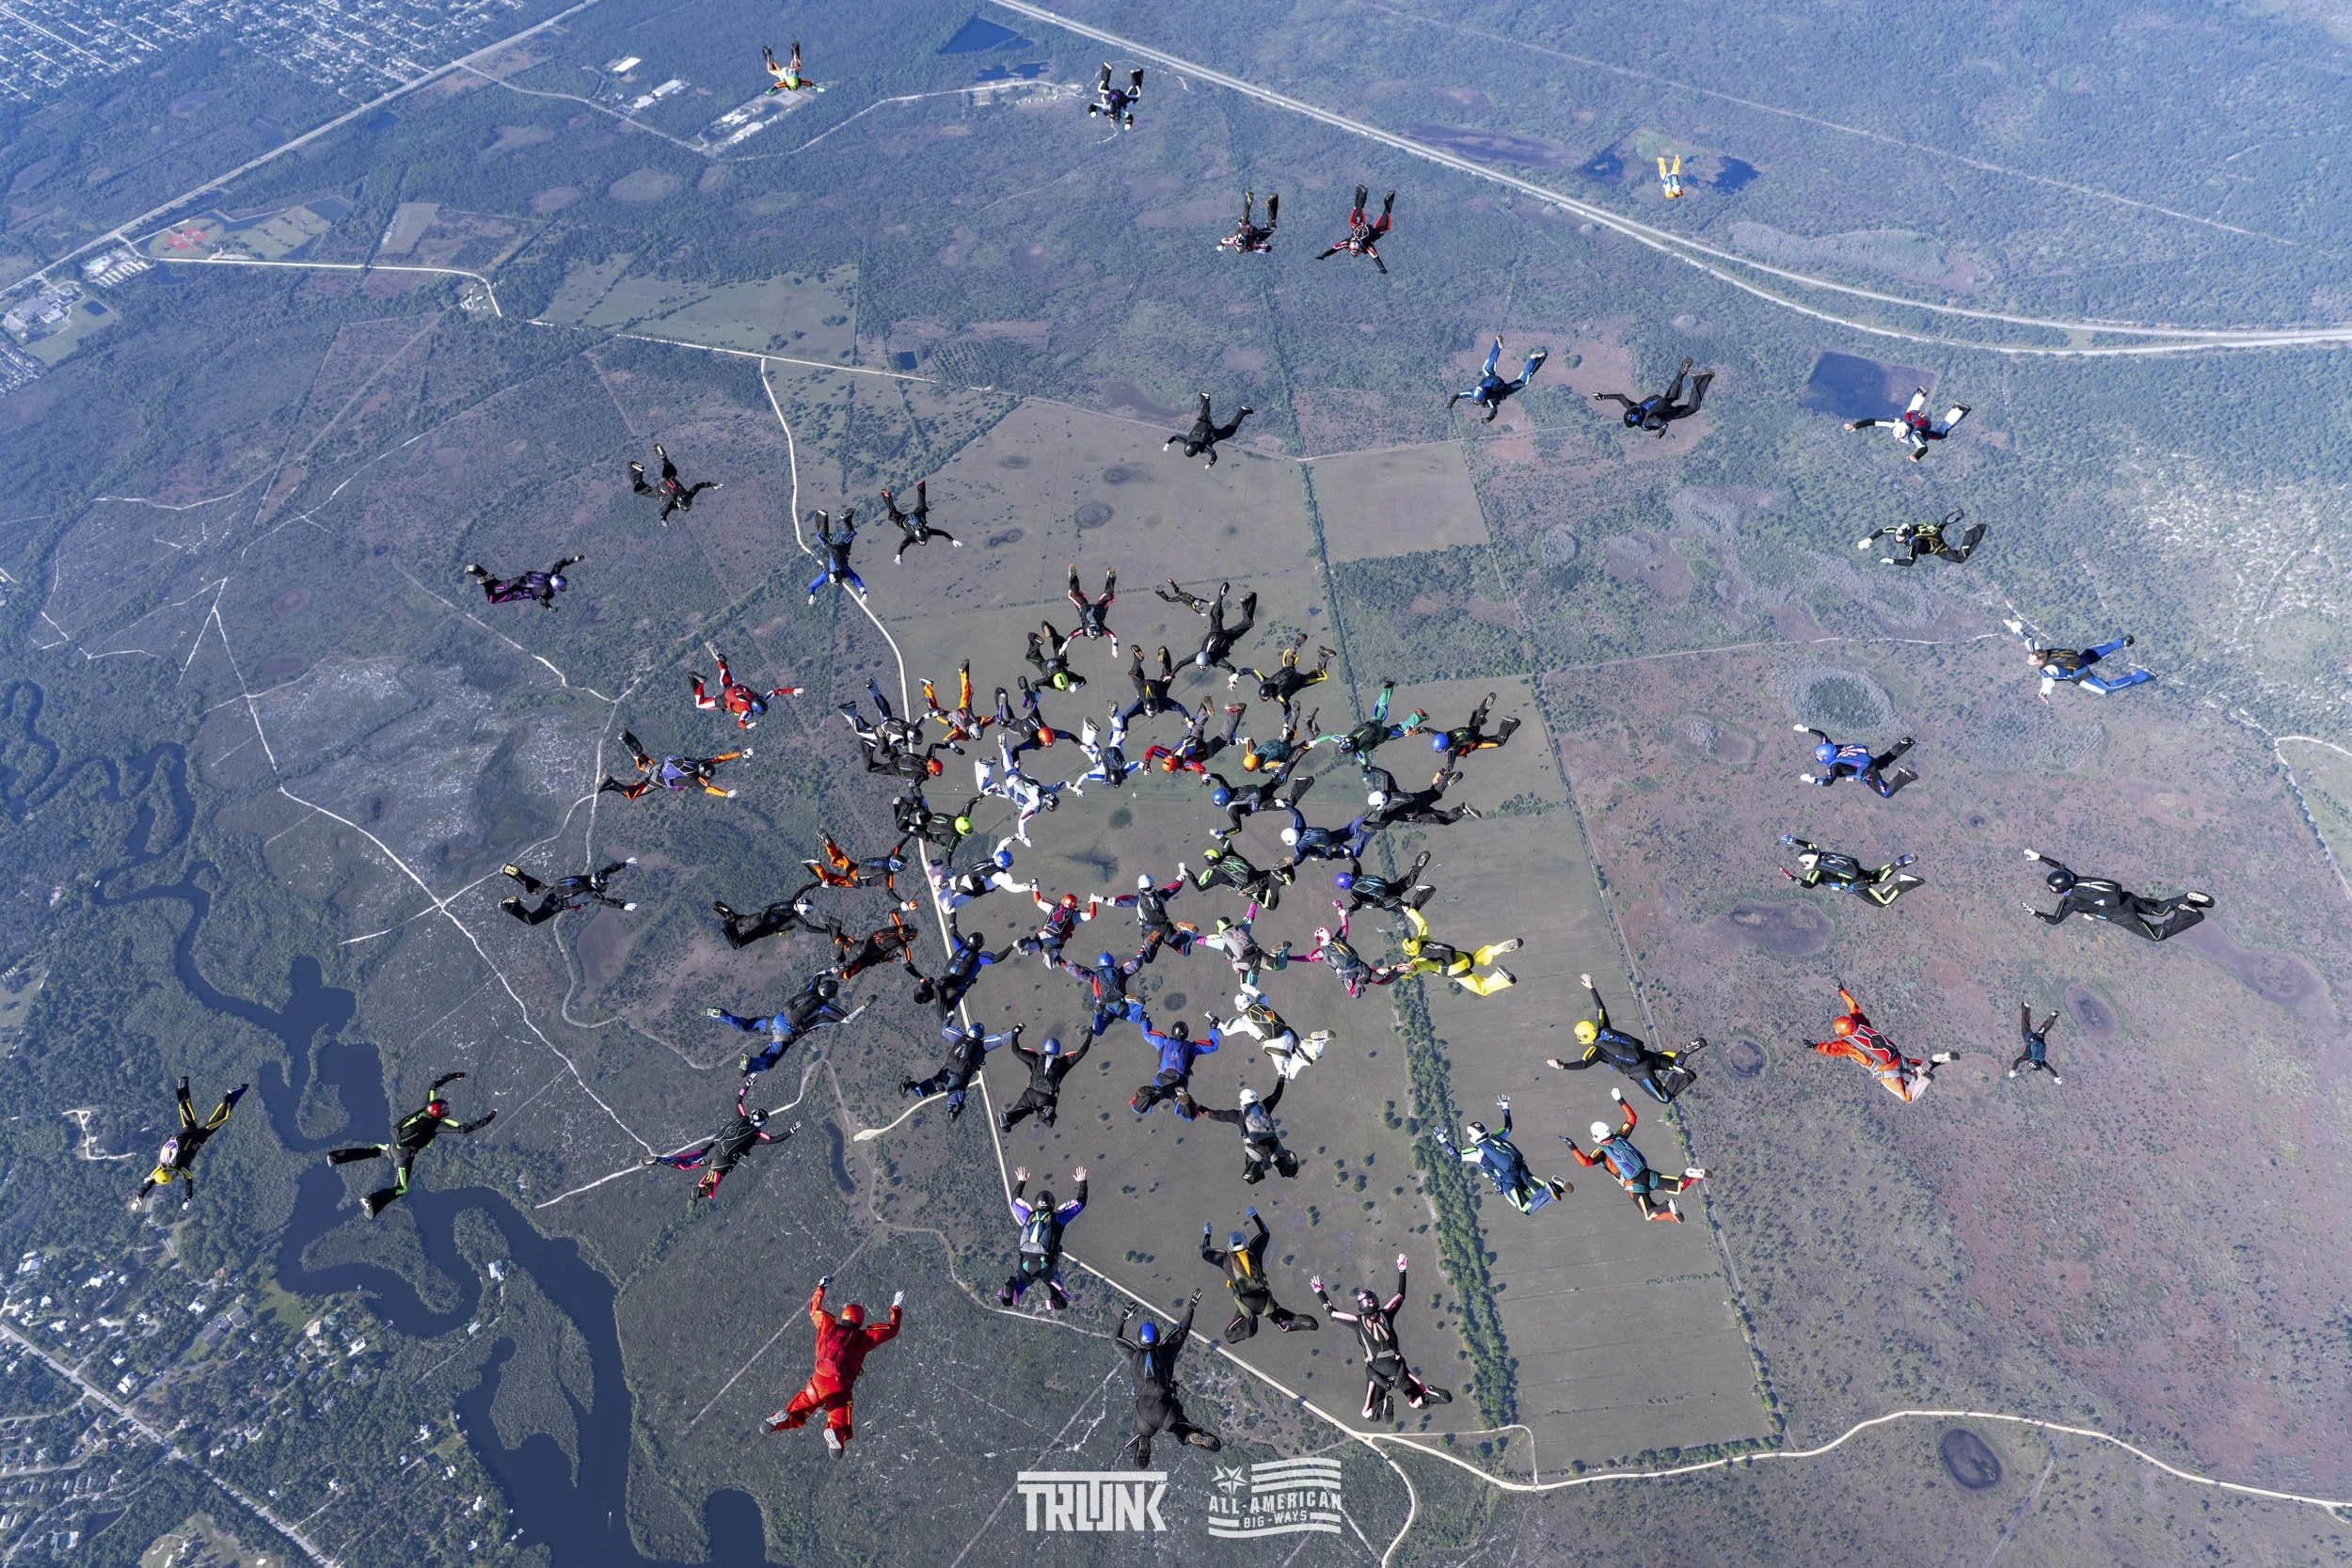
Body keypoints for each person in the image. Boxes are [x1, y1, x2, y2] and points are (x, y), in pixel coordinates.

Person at [326, 1071, 494, 1218]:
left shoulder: (425, 1109)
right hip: (403, 1158)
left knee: (371, 1151)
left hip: (392, 1147)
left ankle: (335, 1157)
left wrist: (455, 1076)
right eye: (444, 1110)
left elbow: (433, 1085)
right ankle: (371, 1202)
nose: (446, 1111)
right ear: (439, 1114)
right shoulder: (437, 1125)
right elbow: (464, 1129)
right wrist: (488, 1118)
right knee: (401, 1188)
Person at [765, 1278, 901, 1457]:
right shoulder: (863, 1338)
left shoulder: (827, 1327)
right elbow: (892, 1329)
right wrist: (896, 1306)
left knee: (801, 1409)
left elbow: (814, 1310)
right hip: (839, 1387)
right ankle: (835, 1434)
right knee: (839, 1421)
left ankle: (782, 1419)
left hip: (817, 1381)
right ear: (860, 1321)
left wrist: (820, 1288)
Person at [1310, 1255, 1452, 1420]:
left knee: (1368, 1413)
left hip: (1376, 1369)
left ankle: (1383, 1407)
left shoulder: (1357, 1321)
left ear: (1361, 1305)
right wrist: (1402, 1270)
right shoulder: (1386, 1313)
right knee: (1416, 1401)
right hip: (1396, 1366)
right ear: (1375, 1301)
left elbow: (1332, 1313)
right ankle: (1429, 1395)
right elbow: (1400, 1295)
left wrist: (1320, 1292)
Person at [1548, 973, 1701, 1103]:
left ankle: (1686, 1074)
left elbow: (1583, 1064)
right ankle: (1680, 1057)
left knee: (1664, 1097)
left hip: (1639, 1071)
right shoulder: (1604, 1029)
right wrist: (1591, 987)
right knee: (1671, 1063)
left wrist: (1562, 1066)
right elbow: (1600, 1009)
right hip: (1645, 1056)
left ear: (1585, 1038)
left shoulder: (1597, 1050)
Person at [1563, 1089, 1705, 1222]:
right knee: (1676, 1186)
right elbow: (1632, 1118)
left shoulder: (1601, 1152)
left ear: (1595, 1137)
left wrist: (1572, 1147)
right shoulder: (1620, 1136)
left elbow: (1585, 1162)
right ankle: (1688, 1175)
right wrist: (1620, 1100)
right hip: (1647, 1173)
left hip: (1633, 1183)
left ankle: (1668, 1207)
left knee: (1649, 1213)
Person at [1116, 1295, 1220, 1467]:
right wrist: (1191, 1307)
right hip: (1161, 1407)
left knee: (1147, 1431)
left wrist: (1123, 1318)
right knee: (1179, 1428)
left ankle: (1148, 1441)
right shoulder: (1165, 1351)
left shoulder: (1134, 1357)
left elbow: (1115, 1340)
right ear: (1157, 1337)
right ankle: (1188, 1436)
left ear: (1140, 1338)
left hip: (1148, 1411)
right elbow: (1182, 1330)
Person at [1807, 984, 1956, 1103]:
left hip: (1886, 1070)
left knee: (1907, 1097)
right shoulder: (1861, 1024)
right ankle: (1935, 1061)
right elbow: (1854, 1008)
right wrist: (1842, 990)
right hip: (1898, 1058)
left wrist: (1815, 1046)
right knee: (1922, 1066)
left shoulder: (1847, 1045)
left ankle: (1921, 1078)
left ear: (1840, 1032)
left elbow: (1830, 1049)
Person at [2022, 848, 2211, 942]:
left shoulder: (2072, 900)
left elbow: (2055, 920)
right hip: (2126, 898)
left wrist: (2034, 913)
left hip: (2121, 914)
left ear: (2061, 889)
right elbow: (2060, 867)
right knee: (2159, 910)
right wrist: (2039, 857)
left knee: (2156, 935)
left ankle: (2186, 913)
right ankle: (2184, 899)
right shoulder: (2076, 879)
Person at [644, 1085, 793, 1201]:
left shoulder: (741, 1118)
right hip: (723, 1161)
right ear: (762, 1123)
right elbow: (774, 1140)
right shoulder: (755, 1135)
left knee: (686, 1162)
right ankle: (699, 1192)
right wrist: (791, 1131)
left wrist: (747, 1085)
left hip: (712, 1149)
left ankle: (660, 1161)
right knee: (710, 1185)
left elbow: (738, 1100)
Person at [1433, 1097, 1569, 1214]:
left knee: (1525, 1208)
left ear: (1472, 1136)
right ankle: (1557, 1188)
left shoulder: (1477, 1152)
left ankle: (1550, 1188)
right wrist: (1505, 1108)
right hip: (1521, 1169)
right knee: (1536, 1192)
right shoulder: (1497, 1138)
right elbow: (1508, 1126)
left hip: (1507, 1180)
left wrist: (1443, 1140)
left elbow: (1456, 1155)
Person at [128, 1077, 248, 1211]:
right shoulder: (161, 1166)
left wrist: (188, 1198)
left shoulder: (179, 1166)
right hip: (181, 1135)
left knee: (220, 1119)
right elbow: (150, 1183)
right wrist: (139, 1198)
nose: (175, 1175)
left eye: (173, 1176)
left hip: (192, 1138)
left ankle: (232, 1095)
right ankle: (182, 1086)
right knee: (186, 1112)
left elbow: (188, 1181)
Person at [709, 974, 855, 1076]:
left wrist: (833, 970)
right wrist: (864, 1007)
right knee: (768, 1062)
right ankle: (750, 1064)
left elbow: (818, 976)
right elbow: (845, 1018)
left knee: (747, 1026)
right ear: (830, 996)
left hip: (775, 1020)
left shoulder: (811, 990)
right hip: (784, 1033)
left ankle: (724, 1016)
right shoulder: (823, 1006)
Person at [1201, 1209, 1315, 1339]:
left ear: (1230, 1246)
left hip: (1246, 1305)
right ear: (1244, 1242)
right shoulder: (1254, 1251)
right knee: (1277, 1314)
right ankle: (1292, 1322)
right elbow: (1265, 1233)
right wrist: (1255, 1215)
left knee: (1229, 1335)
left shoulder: (1226, 1260)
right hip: (1265, 1300)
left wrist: (1207, 1234)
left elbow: (1205, 1253)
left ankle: (1248, 1330)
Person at [1000, 1165, 1087, 1310]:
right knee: (1057, 1291)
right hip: (1046, 1263)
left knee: (1020, 1282)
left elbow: (1014, 1201)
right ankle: (1053, 1295)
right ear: (1052, 1204)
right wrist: (1082, 1182)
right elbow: (1080, 1204)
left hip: (1026, 1262)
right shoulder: (1058, 1218)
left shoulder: (1028, 1216)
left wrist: (1021, 1182)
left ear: (1036, 1203)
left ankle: (1011, 1293)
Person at [1177, 1080, 1298, 1183]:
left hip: (1256, 1147)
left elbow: (1215, 1115)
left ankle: (1259, 1166)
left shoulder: (1238, 1115)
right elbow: (1276, 1094)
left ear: (1242, 1101)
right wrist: (1281, 1077)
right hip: (1272, 1143)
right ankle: (1284, 1162)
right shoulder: (1264, 1106)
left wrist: (1198, 1107)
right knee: (1285, 1169)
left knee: (1249, 1178)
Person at [902, 1021, 1015, 1121]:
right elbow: (1001, 1039)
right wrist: (1015, 1031)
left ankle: (910, 1085)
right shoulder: (982, 1045)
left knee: (924, 1090)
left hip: (944, 1072)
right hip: (959, 1076)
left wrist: (950, 1016)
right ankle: (952, 1108)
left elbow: (944, 1030)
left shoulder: (960, 1038)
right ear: (981, 1034)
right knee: (956, 1093)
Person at [2008, 625, 2154, 701]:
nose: (2029, 660)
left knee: (2106, 690)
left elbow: (2048, 681)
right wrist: (2014, 627)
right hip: (2078, 660)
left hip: (2080, 675)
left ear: (2040, 661)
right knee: (2092, 654)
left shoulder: (2047, 669)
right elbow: (2028, 639)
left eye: (2032, 660)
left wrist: (2043, 693)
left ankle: (2144, 675)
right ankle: (2122, 642)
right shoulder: (2042, 652)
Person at [1395, 906, 1518, 996]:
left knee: (1482, 989)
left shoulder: (1420, 960)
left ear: (1410, 952)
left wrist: (1400, 972)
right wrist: (1408, 911)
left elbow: (1413, 970)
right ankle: (1500, 948)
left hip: (1455, 970)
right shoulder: (1424, 939)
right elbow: (1421, 923)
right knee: (1481, 956)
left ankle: (1503, 978)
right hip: (1460, 956)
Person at [1207, 990, 1328, 1082]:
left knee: (1287, 1076)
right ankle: (1317, 1043)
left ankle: (1301, 1058)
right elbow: (1261, 994)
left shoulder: (1241, 1021)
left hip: (1273, 1045)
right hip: (1288, 1033)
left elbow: (1226, 1032)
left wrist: (1213, 1020)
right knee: (1312, 1053)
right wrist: (1247, 986)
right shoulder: (1261, 1004)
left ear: (1239, 1007)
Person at [598, 730, 744, 800]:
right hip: (658, 780)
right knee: (633, 793)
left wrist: (739, 754)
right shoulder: (694, 779)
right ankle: (609, 782)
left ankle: (626, 740)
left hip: (659, 767)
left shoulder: (699, 763)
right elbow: (709, 789)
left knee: (642, 761)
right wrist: (725, 794)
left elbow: (719, 759)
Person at [1777, 835, 1922, 907]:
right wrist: (1794, 840)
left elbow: (1808, 885)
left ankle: (1904, 883)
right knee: (1878, 878)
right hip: (1858, 872)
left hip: (1856, 884)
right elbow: (1810, 845)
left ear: (1809, 862)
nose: (1803, 865)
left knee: (1883, 902)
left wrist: (1791, 877)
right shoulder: (1821, 854)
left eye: (1804, 863)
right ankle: (1897, 864)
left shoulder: (1817, 872)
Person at [912, 919, 1013, 1015]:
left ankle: (926, 996)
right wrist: (1013, 946)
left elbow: (952, 931)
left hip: (944, 981)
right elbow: (996, 959)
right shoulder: (979, 958)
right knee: (947, 1011)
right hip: (957, 988)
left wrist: (952, 913)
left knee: (937, 992)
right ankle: (944, 1010)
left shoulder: (960, 947)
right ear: (979, 945)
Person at [1594, 356, 1711, 436]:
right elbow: (1620, 397)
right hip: (1659, 400)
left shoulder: (1646, 423)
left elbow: (1662, 423)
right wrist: (1603, 397)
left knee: (1692, 408)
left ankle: (1700, 379)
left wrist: (1660, 433)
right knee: (1671, 397)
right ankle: (1682, 372)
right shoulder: (1633, 407)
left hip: (1666, 411)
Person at [1306, 902, 1401, 999]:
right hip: (1359, 967)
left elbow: (1308, 958)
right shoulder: (1338, 939)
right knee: (1383, 980)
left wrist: (1340, 908)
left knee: (1356, 994)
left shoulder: (1326, 949)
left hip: (1348, 972)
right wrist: (1340, 907)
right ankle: (1400, 970)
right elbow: (1344, 924)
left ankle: (1365, 980)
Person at [1846, 387, 1968, 460]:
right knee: (1910, 411)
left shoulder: (1914, 435)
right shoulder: (1894, 423)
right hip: (1913, 417)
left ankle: (1959, 409)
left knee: (1940, 434)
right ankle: (1920, 393)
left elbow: (1924, 447)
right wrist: (1856, 426)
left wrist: (1916, 456)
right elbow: (1872, 421)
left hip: (1923, 424)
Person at [500, 858, 635, 925]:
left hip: (552, 890)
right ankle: (508, 905)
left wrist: (623, 864)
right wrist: (622, 905)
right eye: (603, 887)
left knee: (533, 886)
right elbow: (606, 902)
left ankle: (510, 870)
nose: (604, 889)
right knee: (532, 920)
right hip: (555, 903)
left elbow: (607, 870)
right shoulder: (590, 894)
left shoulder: (589, 878)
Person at [1316, 680, 1426, 760]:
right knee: (1381, 708)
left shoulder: (1359, 751)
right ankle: (1387, 689)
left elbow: (1363, 760)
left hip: (1381, 734)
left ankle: (1418, 717)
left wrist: (1366, 769)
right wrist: (1314, 742)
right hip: (1372, 723)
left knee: (1401, 730)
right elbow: (1329, 737)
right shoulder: (1343, 738)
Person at [1002, 1034, 1090, 1132]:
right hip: (1046, 1098)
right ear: (1057, 1050)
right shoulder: (1063, 1063)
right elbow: (1081, 1053)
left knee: (1019, 1111)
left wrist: (1015, 1033)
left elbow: (1016, 1050)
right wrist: (1090, 1035)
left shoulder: (1035, 1059)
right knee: (1049, 1122)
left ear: (1044, 1048)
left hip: (1030, 1094)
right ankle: (1045, 1113)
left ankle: (1007, 1121)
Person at [1448, 336, 1548, 422]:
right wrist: (1451, 403)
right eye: (1475, 400)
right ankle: (1497, 345)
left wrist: (1488, 419)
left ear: (1483, 398)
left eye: (1477, 401)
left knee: (1522, 381)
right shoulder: (1473, 392)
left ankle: (1534, 360)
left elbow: (1493, 411)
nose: (1475, 402)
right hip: (1490, 379)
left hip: (1502, 388)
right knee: (1487, 368)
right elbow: (1457, 395)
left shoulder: (1490, 399)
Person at [1794, 726, 1914, 797]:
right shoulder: (1833, 748)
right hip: (1868, 761)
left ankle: (1905, 775)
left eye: (1820, 757)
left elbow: (1828, 782)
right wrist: (1806, 729)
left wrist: (1812, 779)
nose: (1818, 758)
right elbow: (1822, 735)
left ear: (1827, 758)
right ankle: (1905, 744)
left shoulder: (1834, 767)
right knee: (1883, 761)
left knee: (1886, 793)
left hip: (1867, 772)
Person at [1131, 1016, 1214, 1117]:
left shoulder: (1162, 1042)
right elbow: (1213, 1046)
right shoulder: (1192, 1047)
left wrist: (1145, 1020)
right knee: (1188, 1115)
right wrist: (1213, 1028)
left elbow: (1147, 1034)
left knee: (1139, 1107)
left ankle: (1144, 1098)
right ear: (1186, 1034)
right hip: (1179, 1084)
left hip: (1161, 1081)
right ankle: (1185, 1104)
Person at [691, 654, 802, 730]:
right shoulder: (748, 710)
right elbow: (741, 722)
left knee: (727, 680)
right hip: (724, 700)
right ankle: (698, 683)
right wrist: (747, 726)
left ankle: (721, 663)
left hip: (733, 689)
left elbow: (776, 692)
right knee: (700, 704)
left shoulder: (759, 698)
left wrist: (793, 690)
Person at [1360, 763, 1479, 832]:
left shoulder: (1391, 811)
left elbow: (1381, 825)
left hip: (1421, 813)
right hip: (1419, 798)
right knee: (1435, 793)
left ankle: (1463, 810)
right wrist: (1370, 769)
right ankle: (1446, 779)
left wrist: (1364, 822)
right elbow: (1387, 775)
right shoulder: (1390, 791)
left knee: (1445, 819)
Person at [1109, 870, 1198, 963]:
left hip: (1150, 930)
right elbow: (1175, 887)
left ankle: (1146, 947)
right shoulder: (1160, 895)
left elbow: (1119, 902)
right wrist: (1182, 874)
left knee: (1148, 958)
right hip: (1166, 928)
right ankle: (1186, 932)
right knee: (1184, 951)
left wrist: (1101, 899)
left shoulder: (1137, 900)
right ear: (1152, 884)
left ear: (1139, 886)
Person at [711, 883, 836, 949]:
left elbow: (803, 888)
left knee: (739, 920)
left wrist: (819, 883)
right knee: (737, 944)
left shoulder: (792, 901)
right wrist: (827, 931)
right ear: (804, 912)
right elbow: (808, 928)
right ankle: (726, 925)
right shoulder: (794, 919)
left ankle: (727, 914)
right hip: (760, 929)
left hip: (757, 917)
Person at [1062, 950, 1146, 1041]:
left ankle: (1099, 1013)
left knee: (1098, 1031)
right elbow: (1135, 964)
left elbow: (1078, 972)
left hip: (1106, 1007)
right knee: (1132, 1016)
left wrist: (1062, 963)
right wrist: (1141, 954)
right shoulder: (1119, 973)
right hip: (1120, 1004)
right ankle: (1137, 1006)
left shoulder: (1095, 977)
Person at [1145, 700, 1247, 774]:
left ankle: (1234, 712)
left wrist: (1203, 774)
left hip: (1205, 751)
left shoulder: (1185, 763)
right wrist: (1146, 762)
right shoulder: (1168, 754)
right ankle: (1205, 710)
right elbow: (1153, 749)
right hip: (1192, 738)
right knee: (1198, 726)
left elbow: (1196, 766)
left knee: (1224, 736)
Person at [1230, 632, 1332, 705]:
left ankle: (1323, 656)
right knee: (1288, 659)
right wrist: (1238, 674)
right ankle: (1294, 648)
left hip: (1300, 681)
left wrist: (1286, 722)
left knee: (1320, 675)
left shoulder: (1279, 696)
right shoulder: (1264, 682)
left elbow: (1287, 707)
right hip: (1287, 669)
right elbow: (1252, 671)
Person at [927, 844, 1034, 913]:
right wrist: (1029, 887)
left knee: (948, 879)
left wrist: (1013, 838)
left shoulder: (994, 858)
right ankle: (943, 888)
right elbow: (1013, 888)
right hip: (970, 890)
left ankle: (935, 870)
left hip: (964, 877)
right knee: (948, 909)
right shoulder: (1001, 876)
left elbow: (1001, 844)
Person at [1066, 706, 1147, 798]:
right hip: (1099, 756)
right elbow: (1086, 776)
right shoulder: (1102, 775)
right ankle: (1090, 731)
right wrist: (1078, 785)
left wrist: (1145, 767)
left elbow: (1137, 764)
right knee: (1087, 745)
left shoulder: (1123, 770)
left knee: (1118, 733)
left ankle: (1115, 715)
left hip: (1115, 748)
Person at [1314, 185, 1395, 273]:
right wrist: (1381, 268)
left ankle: (1362, 192)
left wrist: (1323, 255)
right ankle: (1384, 198)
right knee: (1383, 220)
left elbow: (1334, 249)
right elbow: (1375, 257)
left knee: (1358, 211)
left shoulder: (1351, 243)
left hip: (1363, 228)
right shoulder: (1360, 245)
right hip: (1370, 231)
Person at [1857, 511, 1984, 567]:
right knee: (1937, 529)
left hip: (1937, 547)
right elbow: (1882, 531)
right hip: (1930, 533)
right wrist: (1869, 540)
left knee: (1960, 558)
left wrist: (1892, 561)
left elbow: (1909, 562)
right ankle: (1945, 521)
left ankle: (1973, 532)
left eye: (1900, 537)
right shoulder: (1900, 530)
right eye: (1897, 535)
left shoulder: (1914, 543)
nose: (1897, 537)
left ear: (1907, 536)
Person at [629, 443, 718, 523]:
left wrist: (711, 485)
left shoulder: (688, 495)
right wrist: (663, 519)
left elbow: (698, 486)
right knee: (638, 490)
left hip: (670, 479)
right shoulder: (671, 502)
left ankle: (665, 460)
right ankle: (637, 472)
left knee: (672, 472)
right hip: (659, 490)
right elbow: (665, 511)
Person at [1165, 392, 1254, 468]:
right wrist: (1167, 444)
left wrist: (1210, 464)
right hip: (1203, 423)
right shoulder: (1187, 440)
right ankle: (1205, 398)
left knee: (1229, 431)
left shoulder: (1204, 447)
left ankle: (1243, 411)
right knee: (1205, 413)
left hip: (1213, 433)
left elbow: (1214, 456)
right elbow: (1175, 437)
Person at [829, 911, 923, 983]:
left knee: (840, 939)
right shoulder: (901, 947)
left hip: (861, 945)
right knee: (846, 975)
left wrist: (905, 906)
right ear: (908, 937)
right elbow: (907, 965)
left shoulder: (894, 927)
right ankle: (841, 966)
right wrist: (921, 979)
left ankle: (832, 930)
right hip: (868, 958)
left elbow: (892, 913)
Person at [921, 659, 993, 752]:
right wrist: (956, 749)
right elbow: (947, 739)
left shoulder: (981, 724)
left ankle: (963, 672)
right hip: (951, 718)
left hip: (964, 709)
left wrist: (1002, 719)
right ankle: (927, 685)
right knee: (932, 710)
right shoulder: (960, 733)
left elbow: (993, 719)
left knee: (967, 691)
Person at [1020, 888, 1106, 965]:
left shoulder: (1053, 908)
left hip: (1042, 935)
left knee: (1033, 946)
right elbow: (1092, 914)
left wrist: (1035, 887)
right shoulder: (1074, 916)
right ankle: (1049, 953)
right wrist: (1093, 901)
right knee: (1052, 963)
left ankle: (1024, 946)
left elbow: (1037, 900)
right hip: (1056, 940)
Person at [1429, 691, 1520, 764]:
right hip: (1468, 730)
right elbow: (1431, 732)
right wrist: (1422, 729)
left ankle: (1506, 723)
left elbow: (1450, 762)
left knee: (1499, 742)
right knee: (1477, 719)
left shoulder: (1453, 749)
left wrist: (1447, 769)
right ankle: (1484, 708)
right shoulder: (1444, 734)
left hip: (1476, 742)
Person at [1334, 850, 1434, 914]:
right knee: (1407, 883)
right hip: (1389, 887)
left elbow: (1358, 905)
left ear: (1344, 886)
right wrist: (1348, 854)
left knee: (1410, 911)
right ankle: (1417, 867)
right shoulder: (1357, 875)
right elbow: (1356, 864)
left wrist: (1348, 910)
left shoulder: (1354, 893)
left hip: (1388, 901)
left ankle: (1423, 892)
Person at [465, 556, 581, 610]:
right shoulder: (546, 591)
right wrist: (549, 608)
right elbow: (542, 600)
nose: (561, 588)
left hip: (516, 580)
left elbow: (558, 565)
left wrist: (573, 560)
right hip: (516, 591)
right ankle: (485, 583)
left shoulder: (549, 577)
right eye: (561, 587)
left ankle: (478, 570)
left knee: (496, 584)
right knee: (493, 600)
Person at [882, 479, 957, 562]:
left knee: (897, 512)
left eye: (922, 541)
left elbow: (942, 533)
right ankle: (919, 487)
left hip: (909, 518)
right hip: (910, 517)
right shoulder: (912, 535)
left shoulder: (924, 532)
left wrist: (952, 540)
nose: (923, 542)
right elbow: (902, 545)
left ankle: (888, 496)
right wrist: (952, 540)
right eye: (923, 541)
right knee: (919, 507)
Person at [805, 510, 865, 604]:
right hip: (828, 550)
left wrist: (863, 592)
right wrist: (811, 595)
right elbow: (813, 586)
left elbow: (855, 578)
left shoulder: (843, 571)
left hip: (840, 549)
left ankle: (845, 519)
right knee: (824, 536)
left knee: (849, 532)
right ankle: (824, 517)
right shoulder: (826, 576)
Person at [1123, 644, 1187, 723]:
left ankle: (1163, 658)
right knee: (1134, 674)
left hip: (1153, 687)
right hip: (1149, 687)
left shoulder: (1158, 704)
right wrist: (1123, 726)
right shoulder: (1142, 705)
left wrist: (1188, 719)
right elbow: (1127, 715)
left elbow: (1179, 707)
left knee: (1167, 675)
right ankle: (1140, 660)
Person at [2010, 1004, 2062, 1085]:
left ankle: (2053, 1016)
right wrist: (2013, 1070)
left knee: (2044, 1029)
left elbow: (2050, 1069)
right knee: (2024, 1024)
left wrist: (2056, 1076)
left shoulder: (2042, 1061)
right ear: (2033, 1063)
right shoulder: (2028, 1056)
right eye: (2031, 1065)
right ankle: (2026, 1008)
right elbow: (2017, 1061)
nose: (2029, 1064)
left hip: (2040, 1038)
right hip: (2030, 1038)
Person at [1067, 563, 1118, 641]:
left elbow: (1071, 636)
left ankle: (1072, 576)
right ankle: (1111, 577)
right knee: (1109, 594)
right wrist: (1115, 646)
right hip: (1100, 608)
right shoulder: (1101, 629)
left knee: (1075, 592)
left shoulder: (1084, 629)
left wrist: (1064, 645)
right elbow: (1113, 637)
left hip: (1083, 607)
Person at [1218, 190, 1278, 254]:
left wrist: (1221, 245)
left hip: (1248, 232)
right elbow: (1224, 241)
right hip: (1256, 235)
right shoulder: (1253, 243)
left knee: (1243, 222)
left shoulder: (1237, 241)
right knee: (1271, 227)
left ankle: (1249, 201)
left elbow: (1223, 241)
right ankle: (1271, 202)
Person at [1089, 63, 1144, 129]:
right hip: (1113, 95)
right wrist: (1092, 111)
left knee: (1134, 98)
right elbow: (1093, 106)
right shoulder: (1105, 107)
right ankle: (1107, 70)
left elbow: (1129, 116)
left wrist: (1128, 123)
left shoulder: (1118, 110)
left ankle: (1136, 75)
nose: (1112, 116)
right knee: (1102, 92)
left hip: (1118, 97)